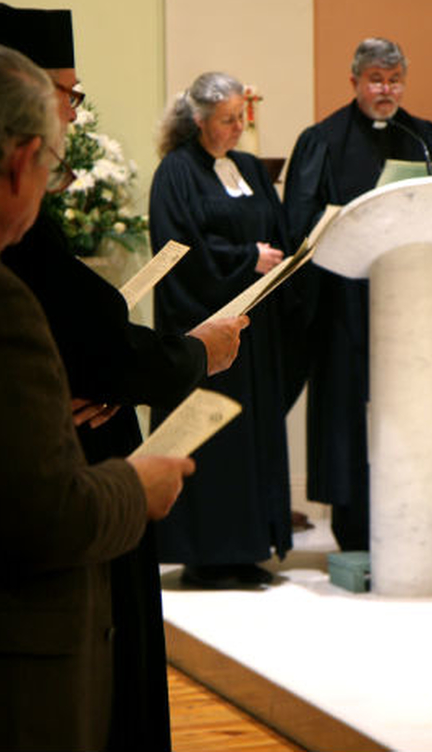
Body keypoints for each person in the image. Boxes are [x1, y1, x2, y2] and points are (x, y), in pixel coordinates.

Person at [0, 3, 247, 751]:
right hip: (17, 623)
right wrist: (140, 484)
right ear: (24, 155)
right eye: (67, 100)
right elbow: (44, 510)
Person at [283, 37, 432, 551]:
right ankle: (355, 533)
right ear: (355, 82)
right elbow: (300, 223)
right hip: (344, 308)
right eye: (375, 80)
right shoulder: (321, 140)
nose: (386, 90)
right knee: (348, 420)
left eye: (394, 80)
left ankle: (413, 520)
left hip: (413, 306)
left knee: (411, 411)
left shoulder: (426, 138)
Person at [149, 72, 293, 588]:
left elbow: (277, 228)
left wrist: (275, 257)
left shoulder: (251, 168)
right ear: (198, 121)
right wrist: (246, 258)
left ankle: (249, 546)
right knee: (213, 443)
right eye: (227, 120)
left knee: (250, 436)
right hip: (205, 331)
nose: (237, 128)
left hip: (252, 331)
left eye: (241, 118)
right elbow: (178, 251)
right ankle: (206, 553)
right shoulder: (176, 173)